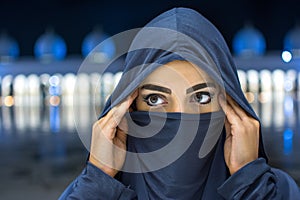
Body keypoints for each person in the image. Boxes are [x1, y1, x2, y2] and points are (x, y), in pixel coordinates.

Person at [59, 7, 300, 199]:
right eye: (155, 99)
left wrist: (250, 184)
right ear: (128, 107)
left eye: (201, 97)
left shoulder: (275, 191)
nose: (182, 119)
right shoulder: (91, 191)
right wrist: (99, 181)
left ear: (231, 104)